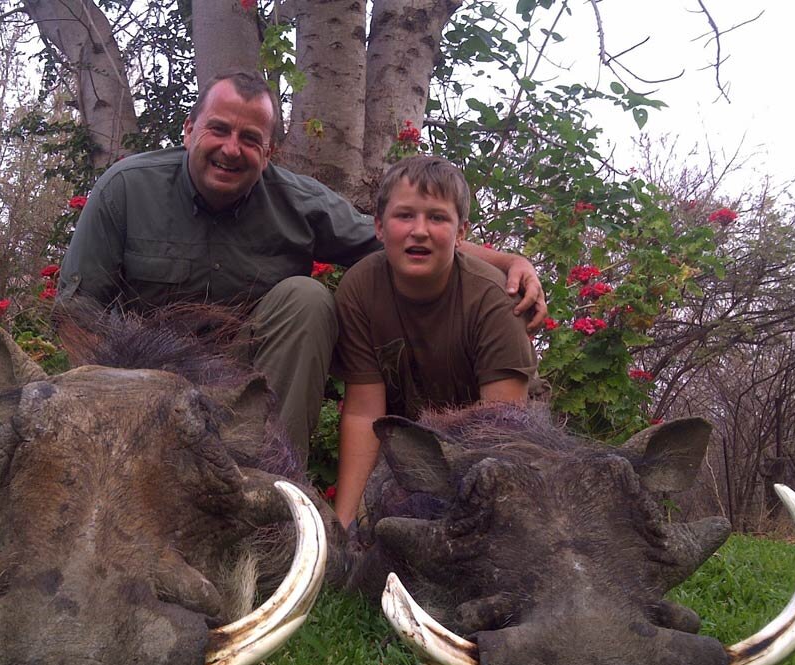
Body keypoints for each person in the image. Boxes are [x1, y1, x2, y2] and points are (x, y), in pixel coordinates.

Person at [59, 69, 546, 459]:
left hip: (244, 383)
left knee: (307, 298)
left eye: (251, 139)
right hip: (143, 380)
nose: (232, 149)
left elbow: (400, 240)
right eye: (218, 129)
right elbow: (78, 316)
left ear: (270, 152)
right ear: (189, 131)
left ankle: (270, 480)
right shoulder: (124, 189)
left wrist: (508, 262)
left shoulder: (300, 203)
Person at [330, 155, 536, 528]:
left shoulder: (494, 299)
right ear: (378, 226)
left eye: (438, 218)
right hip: (411, 449)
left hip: (503, 446)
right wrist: (345, 525)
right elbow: (364, 414)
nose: (420, 230)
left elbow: (504, 430)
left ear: (461, 234)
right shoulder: (359, 289)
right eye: (405, 216)